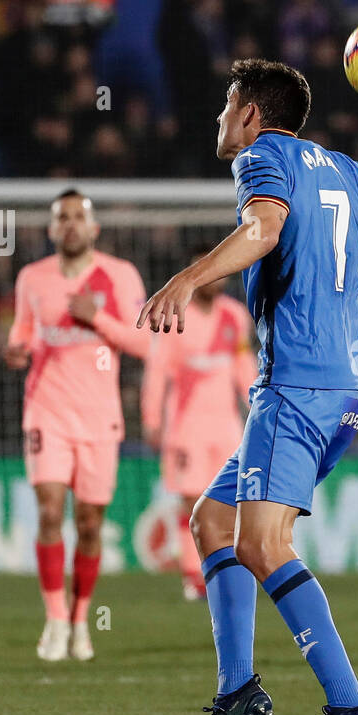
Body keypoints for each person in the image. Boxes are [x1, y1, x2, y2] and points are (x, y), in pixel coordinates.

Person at [138, 58, 358, 715]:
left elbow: (265, 230)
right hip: (342, 388)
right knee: (213, 522)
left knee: (265, 547)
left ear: (249, 113)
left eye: (225, 105)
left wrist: (187, 277)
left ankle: (350, 704)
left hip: (298, 383)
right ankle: (238, 691)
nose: (219, 119)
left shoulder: (261, 156)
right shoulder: (339, 167)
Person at [5, 189, 149, 662]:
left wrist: (99, 319)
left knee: (89, 524)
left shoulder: (120, 274)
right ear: (51, 229)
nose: (69, 225)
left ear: (93, 228)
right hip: (45, 411)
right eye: (61, 217)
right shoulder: (32, 278)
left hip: (98, 418)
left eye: (77, 217)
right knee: (49, 512)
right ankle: (54, 620)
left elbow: (144, 343)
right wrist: (16, 350)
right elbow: (22, 333)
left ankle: (81, 618)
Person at [140, 250, 255, 600]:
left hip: (227, 427)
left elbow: (243, 365)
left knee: (229, 503)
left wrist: (256, 407)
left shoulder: (234, 316)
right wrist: (151, 419)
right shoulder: (176, 315)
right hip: (186, 426)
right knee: (191, 503)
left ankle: (224, 571)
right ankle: (193, 575)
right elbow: (157, 371)